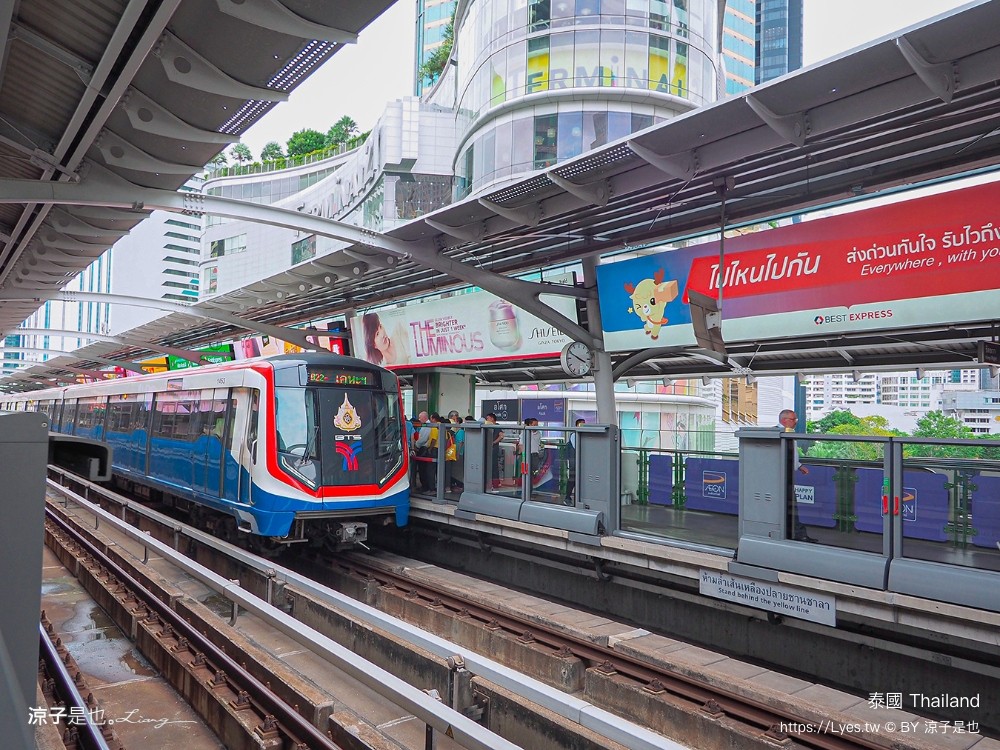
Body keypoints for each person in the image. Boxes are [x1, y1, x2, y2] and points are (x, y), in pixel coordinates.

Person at [778, 409, 816, 543]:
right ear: (784, 420)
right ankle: (798, 535)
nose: (795, 422)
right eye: (793, 419)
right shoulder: (777, 434)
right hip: (779, 478)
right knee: (790, 506)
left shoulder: (788, 434)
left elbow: (791, 456)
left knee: (790, 505)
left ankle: (794, 534)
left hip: (787, 476)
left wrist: (799, 466)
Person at [565, 418, 585, 504]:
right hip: (574, 462)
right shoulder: (574, 435)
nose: (583, 426)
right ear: (577, 425)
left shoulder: (583, 435)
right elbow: (577, 447)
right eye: (581, 424)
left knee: (579, 480)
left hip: (581, 461)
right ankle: (567, 497)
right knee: (572, 479)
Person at [484, 413, 504, 489]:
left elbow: (501, 436)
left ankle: (495, 482)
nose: (487, 420)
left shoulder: (497, 426)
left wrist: (493, 442)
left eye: (488, 418)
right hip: (489, 448)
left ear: (492, 418)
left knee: (493, 465)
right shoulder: (488, 426)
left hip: (493, 448)